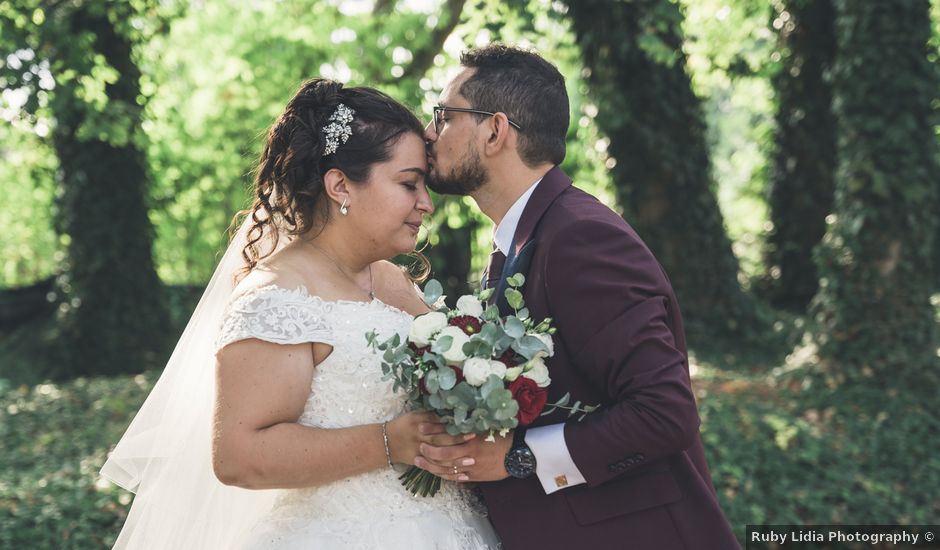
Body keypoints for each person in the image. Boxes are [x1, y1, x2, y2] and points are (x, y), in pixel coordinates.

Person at [101, 79, 500, 549]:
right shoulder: (275, 299)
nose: (426, 204)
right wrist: (390, 442)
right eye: (408, 183)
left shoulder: (391, 281)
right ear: (340, 185)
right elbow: (239, 456)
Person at [416, 44, 739, 549]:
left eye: (442, 115)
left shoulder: (580, 239)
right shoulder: (522, 239)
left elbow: (664, 412)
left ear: (495, 130)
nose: (428, 133)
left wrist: (518, 458)